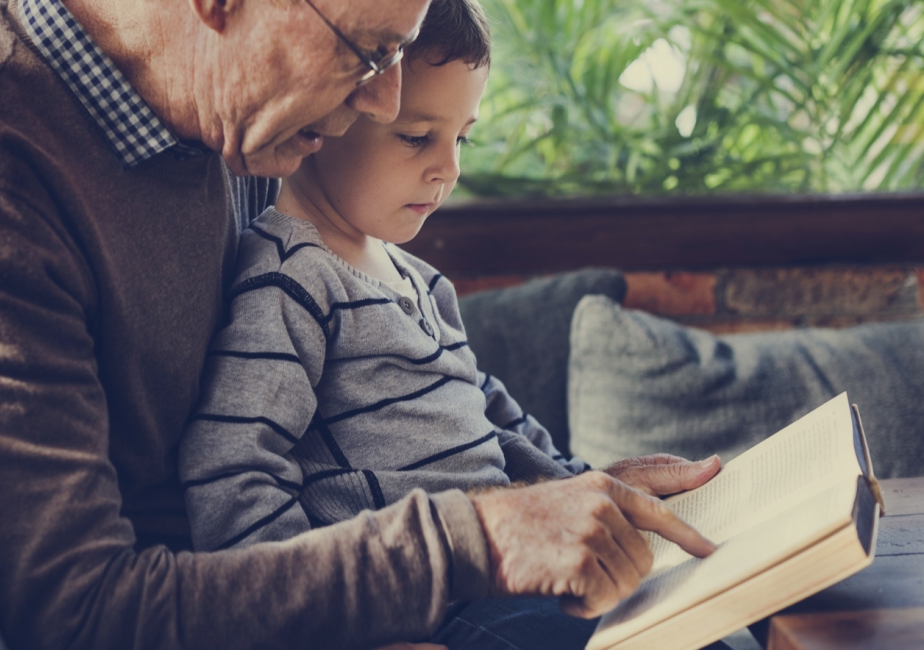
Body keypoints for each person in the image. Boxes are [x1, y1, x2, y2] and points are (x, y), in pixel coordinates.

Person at [0, 0, 720, 649]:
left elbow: (372, 388)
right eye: (370, 52)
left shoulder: (232, 121)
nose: (379, 105)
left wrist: (572, 491)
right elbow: (81, 614)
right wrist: (480, 537)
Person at [177, 3, 726, 648]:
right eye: (417, 137)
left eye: (460, 138)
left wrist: (595, 489)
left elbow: (493, 418)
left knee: (698, 618)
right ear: (328, 114)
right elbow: (232, 475)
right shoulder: (291, 280)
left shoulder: (420, 280)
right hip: (430, 609)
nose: (449, 168)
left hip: (513, 572)